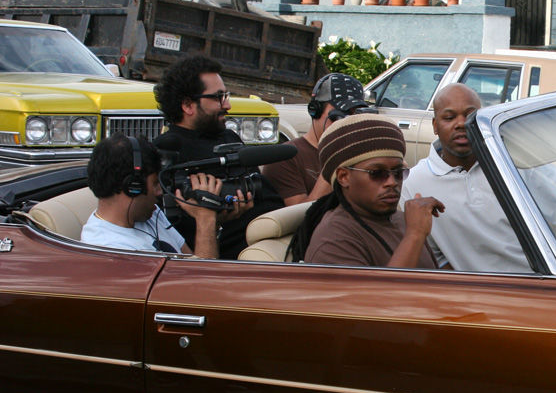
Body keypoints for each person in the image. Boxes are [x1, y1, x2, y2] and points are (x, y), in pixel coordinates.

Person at [400, 83, 556, 273]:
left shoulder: (512, 162)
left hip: (553, 276)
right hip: (492, 300)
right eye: (449, 117)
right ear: (434, 125)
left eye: (470, 114)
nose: (461, 124)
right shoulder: (414, 185)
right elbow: (432, 260)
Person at [153, 54, 283, 258]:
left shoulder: (228, 136)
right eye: (218, 97)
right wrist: (217, 216)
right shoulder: (168, 154)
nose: (227, 105)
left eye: (226, 95)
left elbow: (265, 196)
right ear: (187, 105)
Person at [291, 115, 442, 268]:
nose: (391, 182)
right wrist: (415, 235)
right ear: (344, 177)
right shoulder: (333, 239)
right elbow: (385, 292)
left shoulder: (401, 219)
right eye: (377, 173)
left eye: (398, 172)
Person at [81, 134, 251, 258]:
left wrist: (214, 221)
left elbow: (190, 260)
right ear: (132, 186)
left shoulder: (150, 213)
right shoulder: (112, 250)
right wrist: (205, 218)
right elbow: (200, 288)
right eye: (155, 183)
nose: (160, 192)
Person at [263, 73, 371, 206]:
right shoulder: (286, 159)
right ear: (315, 110)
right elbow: (300, 219)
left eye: (354, 114)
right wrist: (336, 158)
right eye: (340, 114)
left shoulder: (358, 154)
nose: (347, 122)